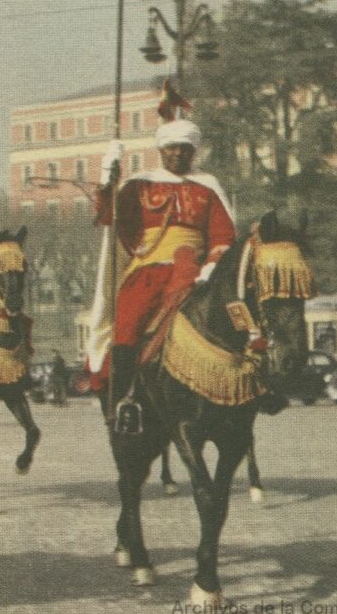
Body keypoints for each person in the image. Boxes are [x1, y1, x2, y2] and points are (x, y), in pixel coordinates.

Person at [87, 119, 236, 423]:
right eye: (172, 148)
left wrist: (211, 266)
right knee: (128, 326)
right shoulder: (140, 184)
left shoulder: (207, 187)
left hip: (195, 272)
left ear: (193, 151)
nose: (178, 154)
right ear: (161, 150)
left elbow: (224, 235)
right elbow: (108, 216)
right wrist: (108, 178)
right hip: (149, 270)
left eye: (185, 149)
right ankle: (123, 397)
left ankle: (246, 391)